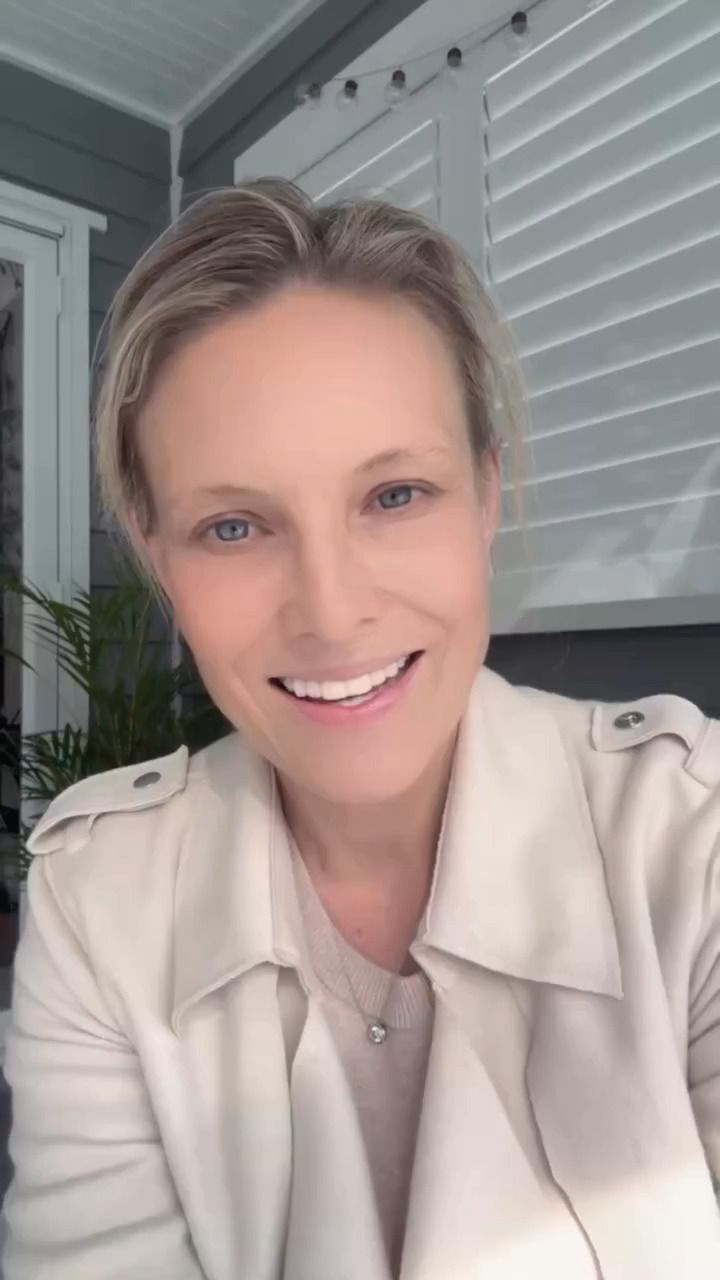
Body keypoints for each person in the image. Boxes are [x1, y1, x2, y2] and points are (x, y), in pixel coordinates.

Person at [2, 179, 719, 1280]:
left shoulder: (691, 834)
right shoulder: (99, 898)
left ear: (486, 494)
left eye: (395, 496)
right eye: (233, 525)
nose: (332, 613)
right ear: (157, 555)